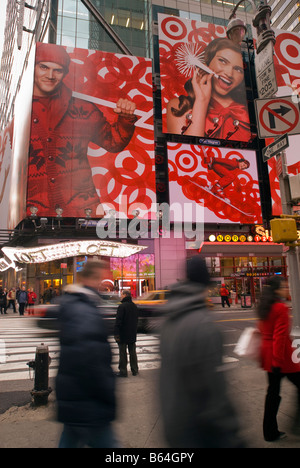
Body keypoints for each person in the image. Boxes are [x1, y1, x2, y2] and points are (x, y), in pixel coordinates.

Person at [27, 43, 137, 218]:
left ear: (65, 73)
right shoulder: (19, 110)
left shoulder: (83, 108)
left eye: (58, 70)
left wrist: (125, 118)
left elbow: (114, 142)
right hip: (29, 213)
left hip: (84, 212)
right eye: (43, 67)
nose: (50, 75)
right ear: (32, 68)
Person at [159, 255, 245, 448]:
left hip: (174, 425)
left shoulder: (169, 320)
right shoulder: (204, 325)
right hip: (201, 433)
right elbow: (215, 391)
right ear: (206, 285)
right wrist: (232, 436)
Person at [53, 260, 118, 448]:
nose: (102, 284)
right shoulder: (85, 310)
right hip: (90, 400)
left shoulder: (74, 304)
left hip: (73, 397)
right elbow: (91, 357)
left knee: (70, 439)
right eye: (98, 278)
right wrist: (107, 392)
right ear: (86, 278)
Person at [167, 37, 251, 141]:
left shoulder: (248, 112)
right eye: (223, 61)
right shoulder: (179, 106)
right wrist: (202, 101)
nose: (229, 74)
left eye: (238, 69)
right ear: (207, 61)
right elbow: (185, 151)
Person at [257, 276, 300, 442]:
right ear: (276, 289)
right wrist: (277, 361)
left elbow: (261, 329)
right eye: (284, 286)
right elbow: (280, 336)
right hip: (281, 358)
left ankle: (269, 432)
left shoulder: (264, 306)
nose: (286, 288)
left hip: (268, 356)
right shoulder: (281, 307)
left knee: (272, 394)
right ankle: (296, 423)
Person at [114, 290, 139, 377]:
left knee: (122, 353)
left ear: (125, 295)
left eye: (121, 294)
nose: (120, 296)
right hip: (132, 332)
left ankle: (123, 371)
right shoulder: (134, 306)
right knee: (132, 352)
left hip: (123, 333)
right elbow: (136, 320)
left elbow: (118, 321)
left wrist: (116, 333)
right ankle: (135, 370)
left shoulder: (122, 306)